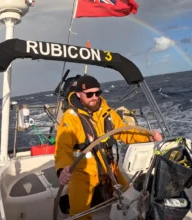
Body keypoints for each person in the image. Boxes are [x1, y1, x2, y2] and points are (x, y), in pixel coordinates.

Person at [54, 75, 162, 219]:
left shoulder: (108, 113)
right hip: (83, 173)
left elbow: (125, 132)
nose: (94, 97)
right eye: (89, 94)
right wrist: (62, 169)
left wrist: (147, 136)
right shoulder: (70, 118)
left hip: (110, 169)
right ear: (79, 94)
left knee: (132, 199)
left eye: (97, 93)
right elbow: (62, 148)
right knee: (80, 214)